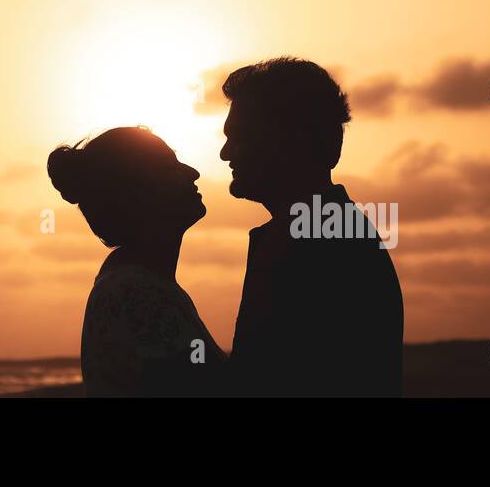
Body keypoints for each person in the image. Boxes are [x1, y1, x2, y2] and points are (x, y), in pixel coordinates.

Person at [220, 58, 403, 396]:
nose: (225, 153)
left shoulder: (326, 247)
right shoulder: (319, 233)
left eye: (241, 137)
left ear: (293, 141)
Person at [48, 127, 226, 396]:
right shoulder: (136, 294)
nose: (192, 172)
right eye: (170, 167)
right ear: (137, 192)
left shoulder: (138, 284)